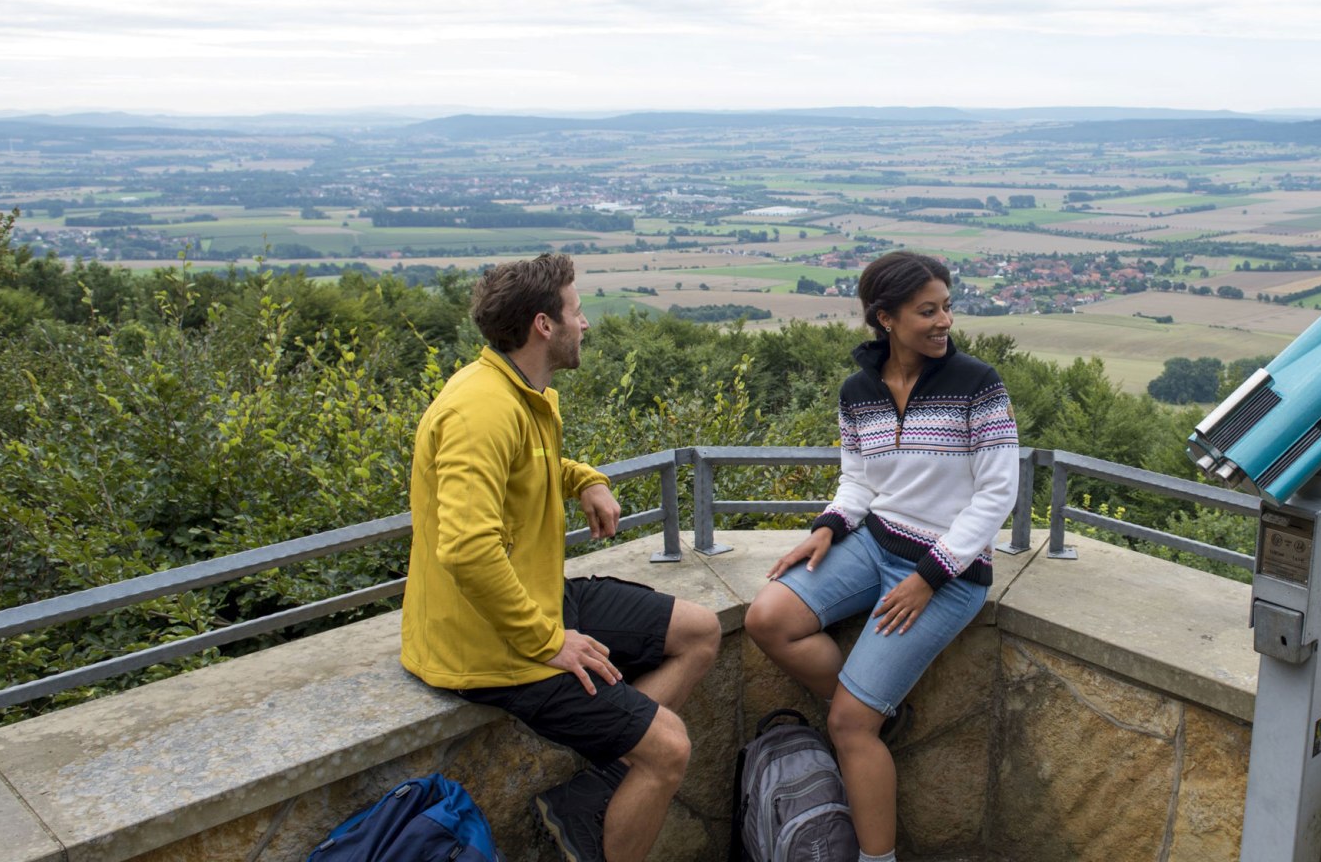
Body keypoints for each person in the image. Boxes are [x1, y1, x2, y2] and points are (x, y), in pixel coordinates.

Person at [401, 253, 722, 862]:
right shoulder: (481, 410)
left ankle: (605, 781)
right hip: (489, 644)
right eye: (577, 311)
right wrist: (548, 641)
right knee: (668, 750)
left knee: (700, 631)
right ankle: (625, 782)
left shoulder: (519, 391)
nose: (586, 324)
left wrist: (585, 479)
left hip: (534, 595)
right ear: (544, 325)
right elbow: (467, 549)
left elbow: (527, 470)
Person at [745, 251, 1019, 862]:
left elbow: (997, 492)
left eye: (947, 306)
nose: (945, 320)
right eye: (928, 310)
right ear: (885, 318)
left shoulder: (978, 384)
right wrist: (826, 526)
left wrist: (928, 577)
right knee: (767, 619)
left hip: (949, 574)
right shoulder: (858, 391)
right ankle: (878, 707)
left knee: (847, 725)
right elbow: (859, 480)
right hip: (874, 544)